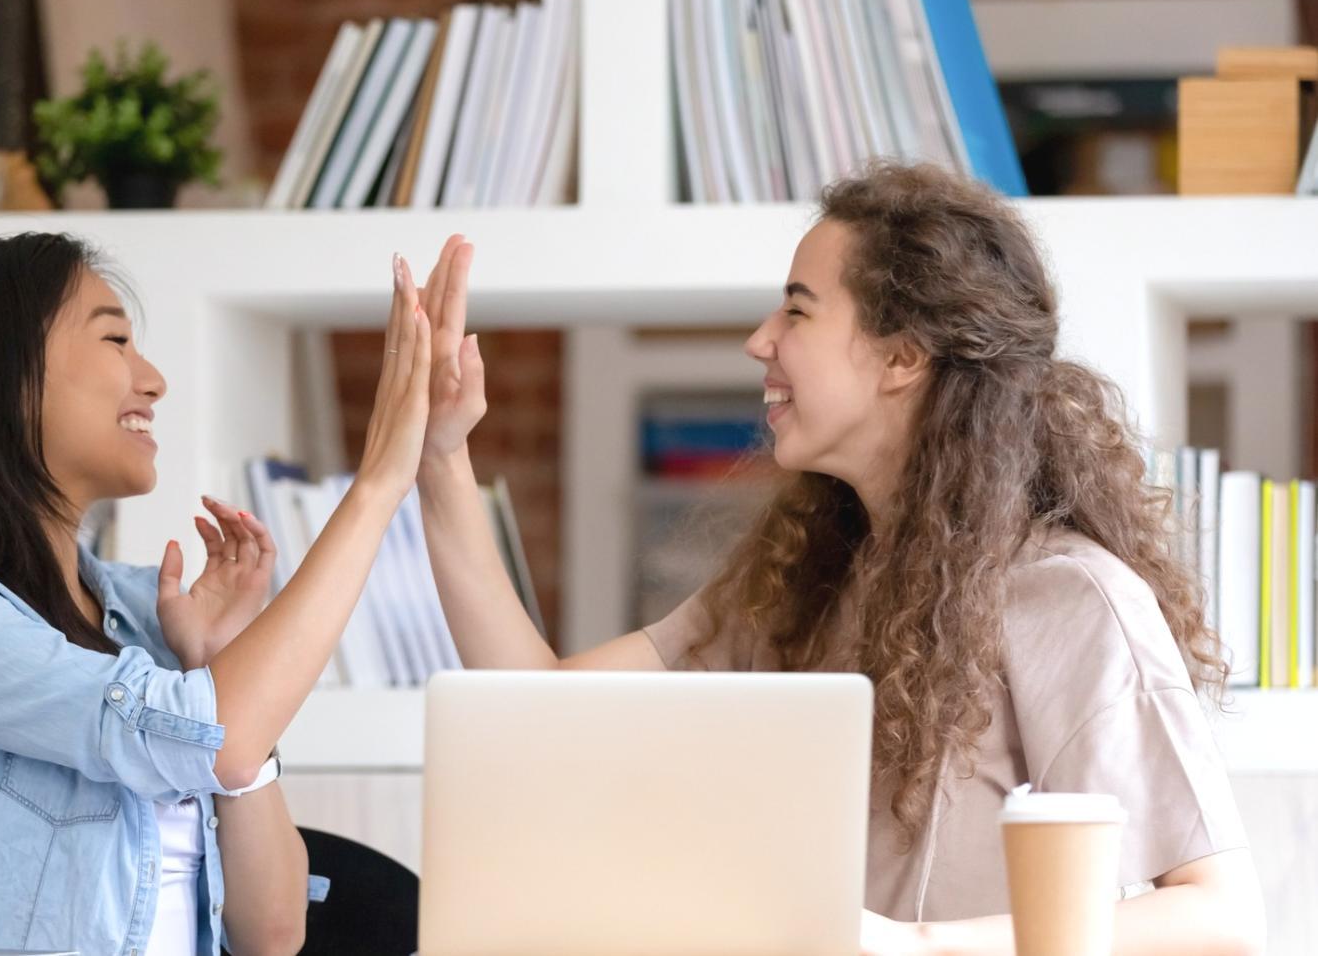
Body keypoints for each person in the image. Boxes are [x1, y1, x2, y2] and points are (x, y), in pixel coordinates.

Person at [413, 164, 1266, 955]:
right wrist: (439, 458)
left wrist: (909, 944)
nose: (758, 340)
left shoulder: (1070, 597)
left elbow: (1218, 917)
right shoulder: (800, 584)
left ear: (903, 356)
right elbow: (537, 709)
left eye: (797, 310)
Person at [0, 233, 434, 955]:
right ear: (0, 370)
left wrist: (211, 658)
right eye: (116, 338)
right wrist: (375, 488)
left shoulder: (149, 616)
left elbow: (271, 932)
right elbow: (216, 734)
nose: (152, 380)